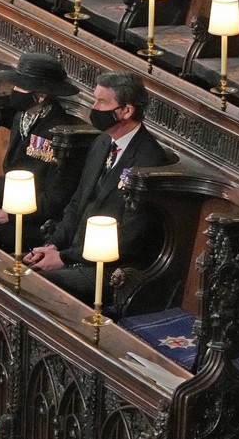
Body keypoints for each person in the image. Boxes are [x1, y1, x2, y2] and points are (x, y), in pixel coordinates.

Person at [23, 71, 178, 303]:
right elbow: (77, 202)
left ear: (126, 111)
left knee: (32, 284)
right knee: (14, 268)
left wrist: (64, 258)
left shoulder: (149, 161)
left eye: (102, 102)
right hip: (75, 254)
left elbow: (129, 238)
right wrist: (53, 245)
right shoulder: (102, 142)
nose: (93, 108)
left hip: (110, 270)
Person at [0, 53, 80, 252]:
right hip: (9, 207)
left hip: (34, 221)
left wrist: (8, 215)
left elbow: (55, 199)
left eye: (20, 87)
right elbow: (10, 173)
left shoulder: (59, 132)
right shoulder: (21, 117)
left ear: (41, 95)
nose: (14, 91)